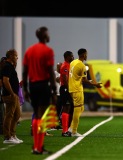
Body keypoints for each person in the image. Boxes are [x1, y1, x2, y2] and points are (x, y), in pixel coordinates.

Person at [22, 26, 57, 154]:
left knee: (36, 114)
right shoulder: (48, 51)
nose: (49, 35)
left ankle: (36, 147)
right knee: (42, 116)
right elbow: (50, 72)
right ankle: (38, 147)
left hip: (32, 85)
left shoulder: (29, 50)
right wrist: (53, 91)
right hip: (43, 85)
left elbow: (25, 71)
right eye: (47, 33)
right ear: (44, 35)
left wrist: (25, 89)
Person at [68, 48, 102, 136]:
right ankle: (73, 131)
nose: (87, 55)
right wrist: (96, 84)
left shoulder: (73, 62)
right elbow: (84, 80)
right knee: (77, 108)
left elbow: (76, 76)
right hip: (77, 89)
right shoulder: (82, 65)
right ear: (83, 54)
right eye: (86, 54)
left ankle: (71, 128)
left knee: (81, 108)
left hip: (72, 87)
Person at [2, 49, 22, 144]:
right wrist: (12, 93)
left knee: (17, 115)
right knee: (9, 115)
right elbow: (5, 80)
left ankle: (13, 135)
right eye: (15, 56)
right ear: (10, 56)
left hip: (14, 95)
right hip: (10, 95)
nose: (17, 58)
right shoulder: (7, 66)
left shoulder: (11, 66)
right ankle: (7, 137)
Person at [59, 51, 74, 137]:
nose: (73, 57)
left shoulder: (69, 65)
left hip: (67, 89)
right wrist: (69, 90)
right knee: (66, 108)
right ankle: (64, 131)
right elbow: (65, 80)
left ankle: (66, 130)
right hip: (65, 89)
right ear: (67, 57)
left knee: (69, 109)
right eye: (71, 56)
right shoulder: (65, 66)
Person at [0, 57, 7, 135]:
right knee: (2, 114)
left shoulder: (3, 71)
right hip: (2, 96)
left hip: (2, 96)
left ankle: (3, 130)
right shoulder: (1, 72)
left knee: (3, 114)